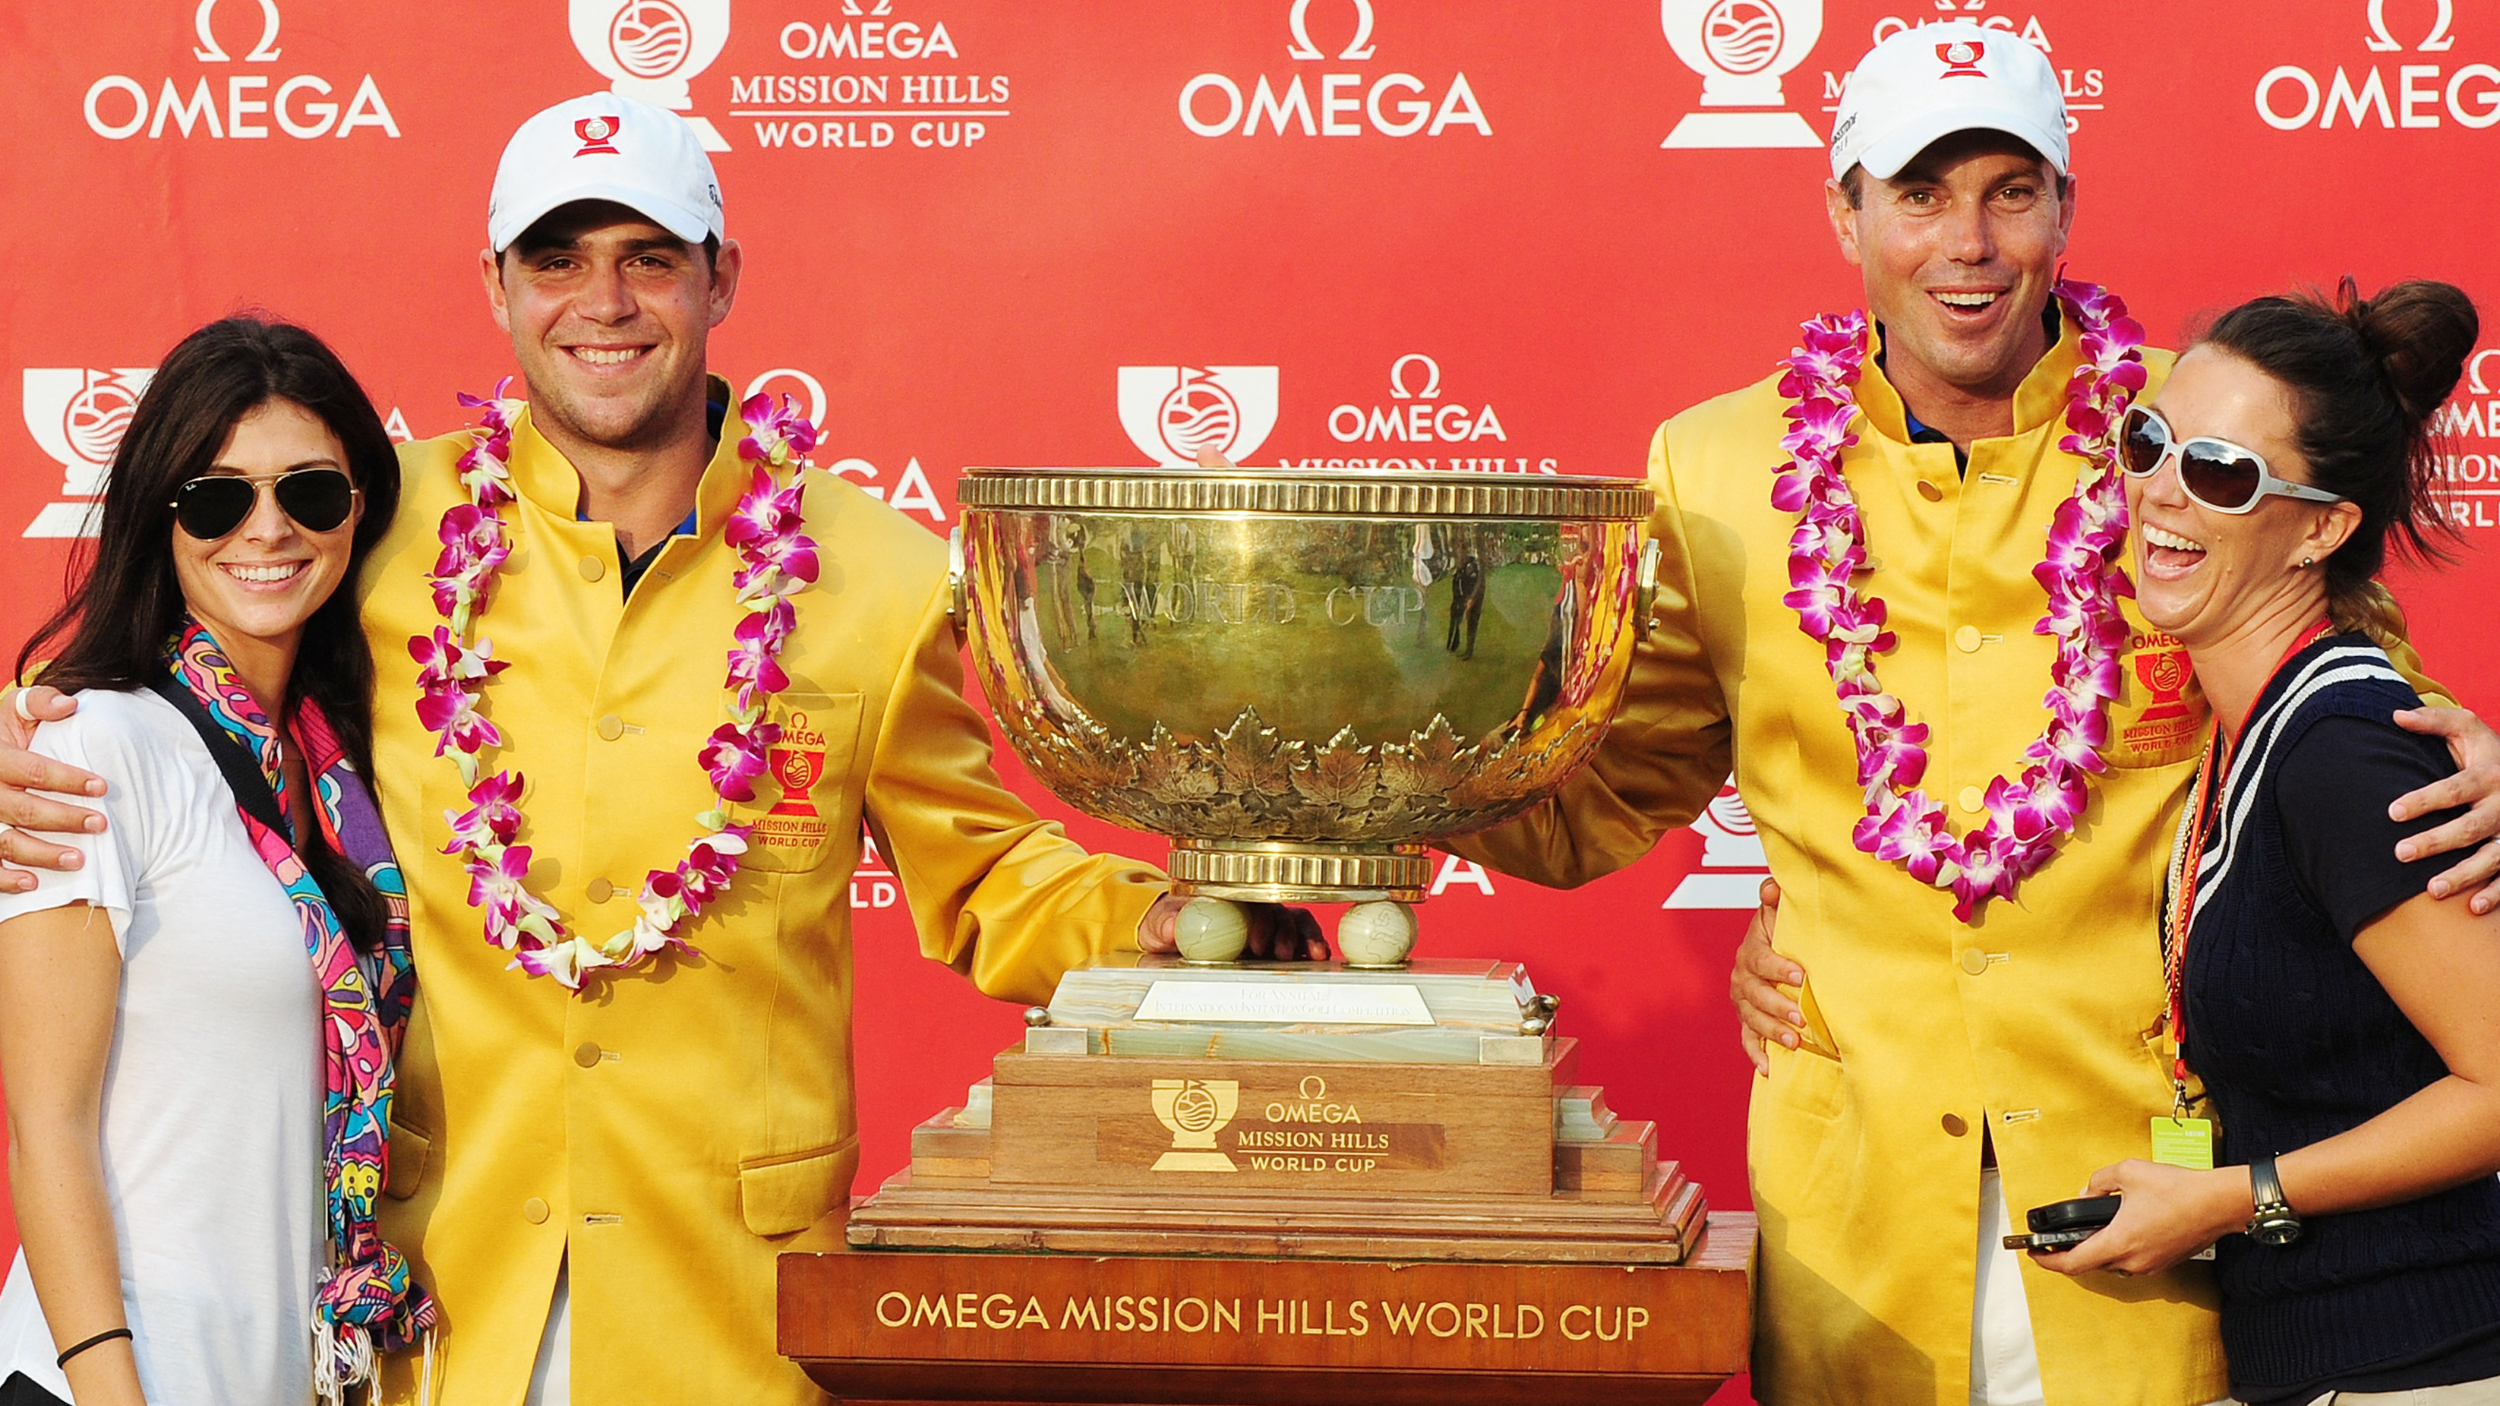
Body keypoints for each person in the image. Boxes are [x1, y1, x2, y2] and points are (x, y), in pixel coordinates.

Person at [0, 95, 1319, 1404]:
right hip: (440, 1305)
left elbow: (983, 874)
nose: (604, 301)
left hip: (731, 1308)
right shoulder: (380, 532)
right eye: (558, 259)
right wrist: (20, 734)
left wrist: (1156, 925)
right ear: (498, 287)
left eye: (650, 256)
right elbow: (183, 659)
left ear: (721, 276)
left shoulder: (879, 580)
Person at [1446, 24, 2500, 1406]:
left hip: (2151, 1209)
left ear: (2066, 208)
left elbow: (2351, 703)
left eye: (2012, 190)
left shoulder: (2174, 445)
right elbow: (1608, 785)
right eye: (1922, 193)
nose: (1971, 241)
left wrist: (2479, 752)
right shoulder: (1713, 469)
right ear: (1846, 210)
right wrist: (1396, 788)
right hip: (1861, 1214)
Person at [2031, 281, 2500, 1405]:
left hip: (2425, 1364)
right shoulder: (2257, 730)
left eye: (2221, 473)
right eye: (2150, 442)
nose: (2158, 494)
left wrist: (2236, 1195)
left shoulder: (2341, 753)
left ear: (2323, 526)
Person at [0, 318, 431, 1405]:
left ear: (360, 508)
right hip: (119, 1373)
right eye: (219, 497)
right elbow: (43, 1118)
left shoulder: (350, 782)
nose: (269, 528)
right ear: (163, 516)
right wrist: (110, 1390)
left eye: (311, 493)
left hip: (288, 1372)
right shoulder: (96, 743)